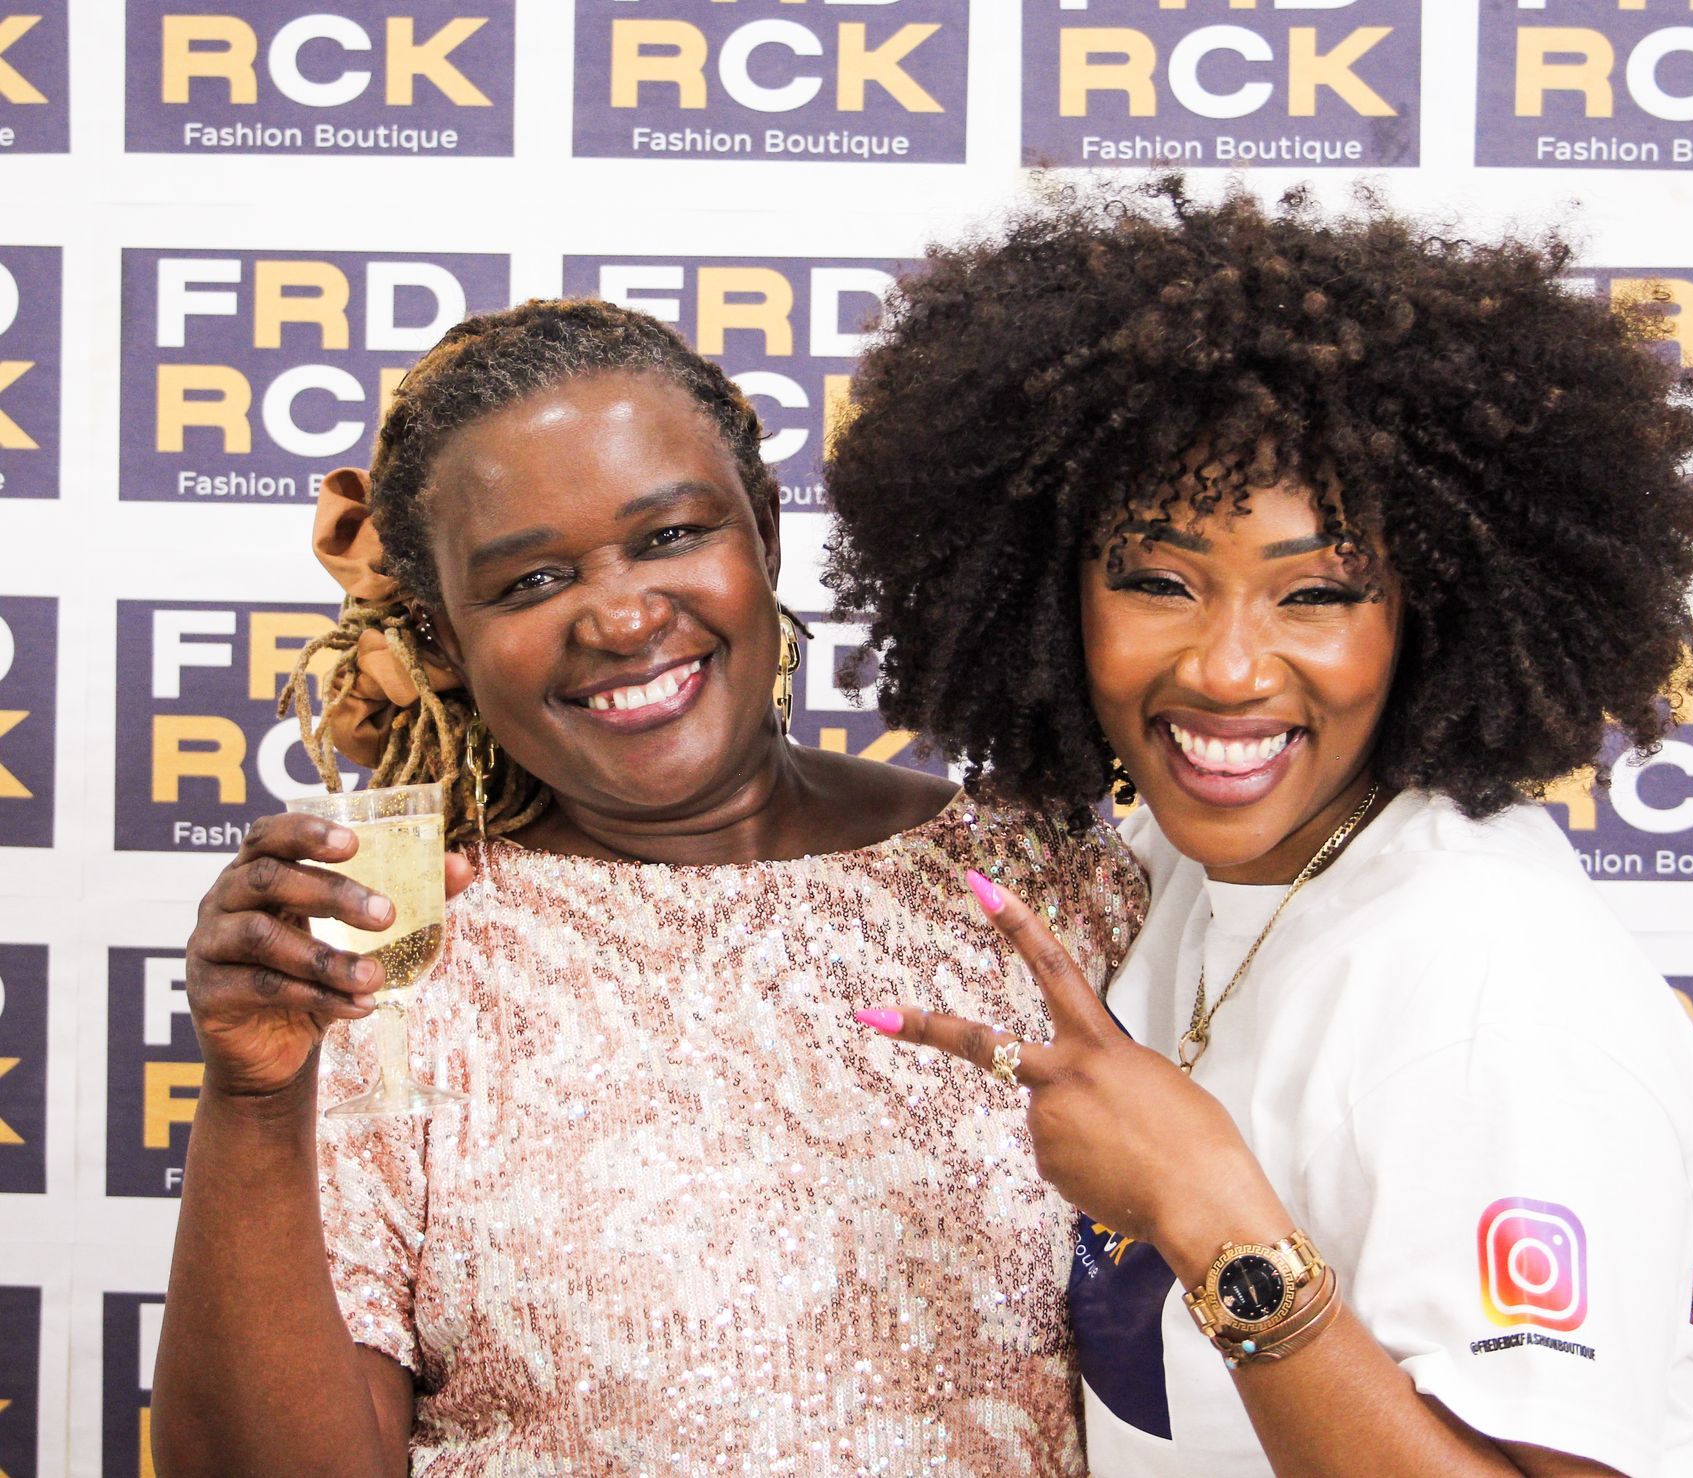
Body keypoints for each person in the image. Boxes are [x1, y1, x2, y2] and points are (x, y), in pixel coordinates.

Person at [826, 180, 1693, 1475]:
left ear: (1426, 614)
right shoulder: (1163, 868)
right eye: (1157, 580)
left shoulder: (1493, 987)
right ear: (1050, 596)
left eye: (1315, 591)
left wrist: (1208, 1204)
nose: (1225, 667)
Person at [149, 298, 1145, 1475]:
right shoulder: (394, 950)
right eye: (528, 581)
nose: (621, 615)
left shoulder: (1043, 884)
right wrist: (259, 1098)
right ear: (439, 634)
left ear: (763, 531)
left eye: (670, 535)